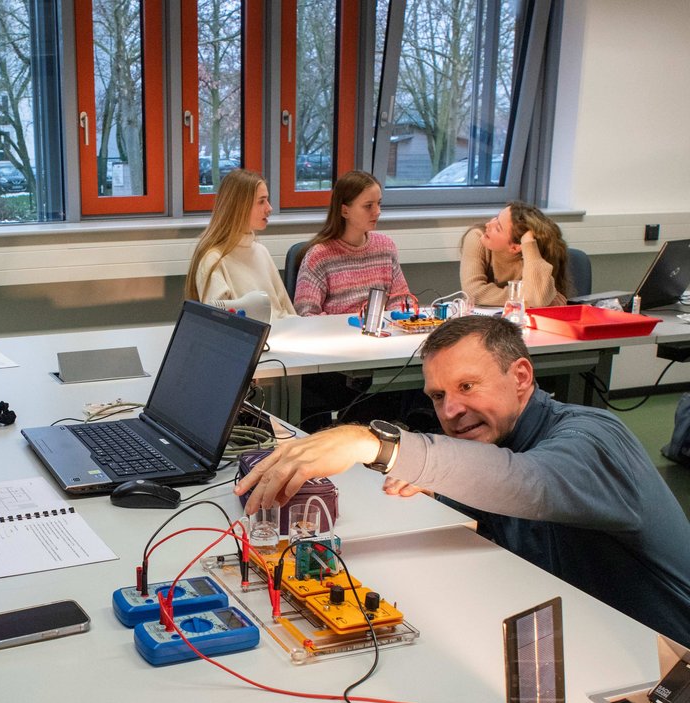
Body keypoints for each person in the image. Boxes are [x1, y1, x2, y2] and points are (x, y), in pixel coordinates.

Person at [236, 314, 690, 646]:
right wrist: (438, 481)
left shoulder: (595, 438)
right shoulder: (494, 445)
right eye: (438, 395)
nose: (450, 411)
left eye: (468, 387)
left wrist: (377, 444)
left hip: (661, 663)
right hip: (576, 636)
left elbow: (529, 483)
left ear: (522, 377)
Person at [293, 170, 412, 316]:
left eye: (379, 203)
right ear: (345, 211)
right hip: (337, 336)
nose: (378, 211)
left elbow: (401, 301)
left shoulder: (386, 247)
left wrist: (399, 318)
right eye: (368, 206)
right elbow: (306, 315)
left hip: (382, 334)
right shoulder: (319, 256)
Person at [184, 169, 297, 319]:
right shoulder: (214, 259)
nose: (269, 208)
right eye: (261, 201)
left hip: (280, 337)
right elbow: (220, 325)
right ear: (239, 206)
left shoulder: (261, 251)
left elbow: (284, 311)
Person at [460, 201, 571, 307]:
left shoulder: (534, 252)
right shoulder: (477, 237)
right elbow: (474, 293)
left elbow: (538, 298)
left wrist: (528, 243)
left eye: (498, 228)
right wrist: (529, 299)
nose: (488, 224)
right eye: (496, 217)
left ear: (515, 247)